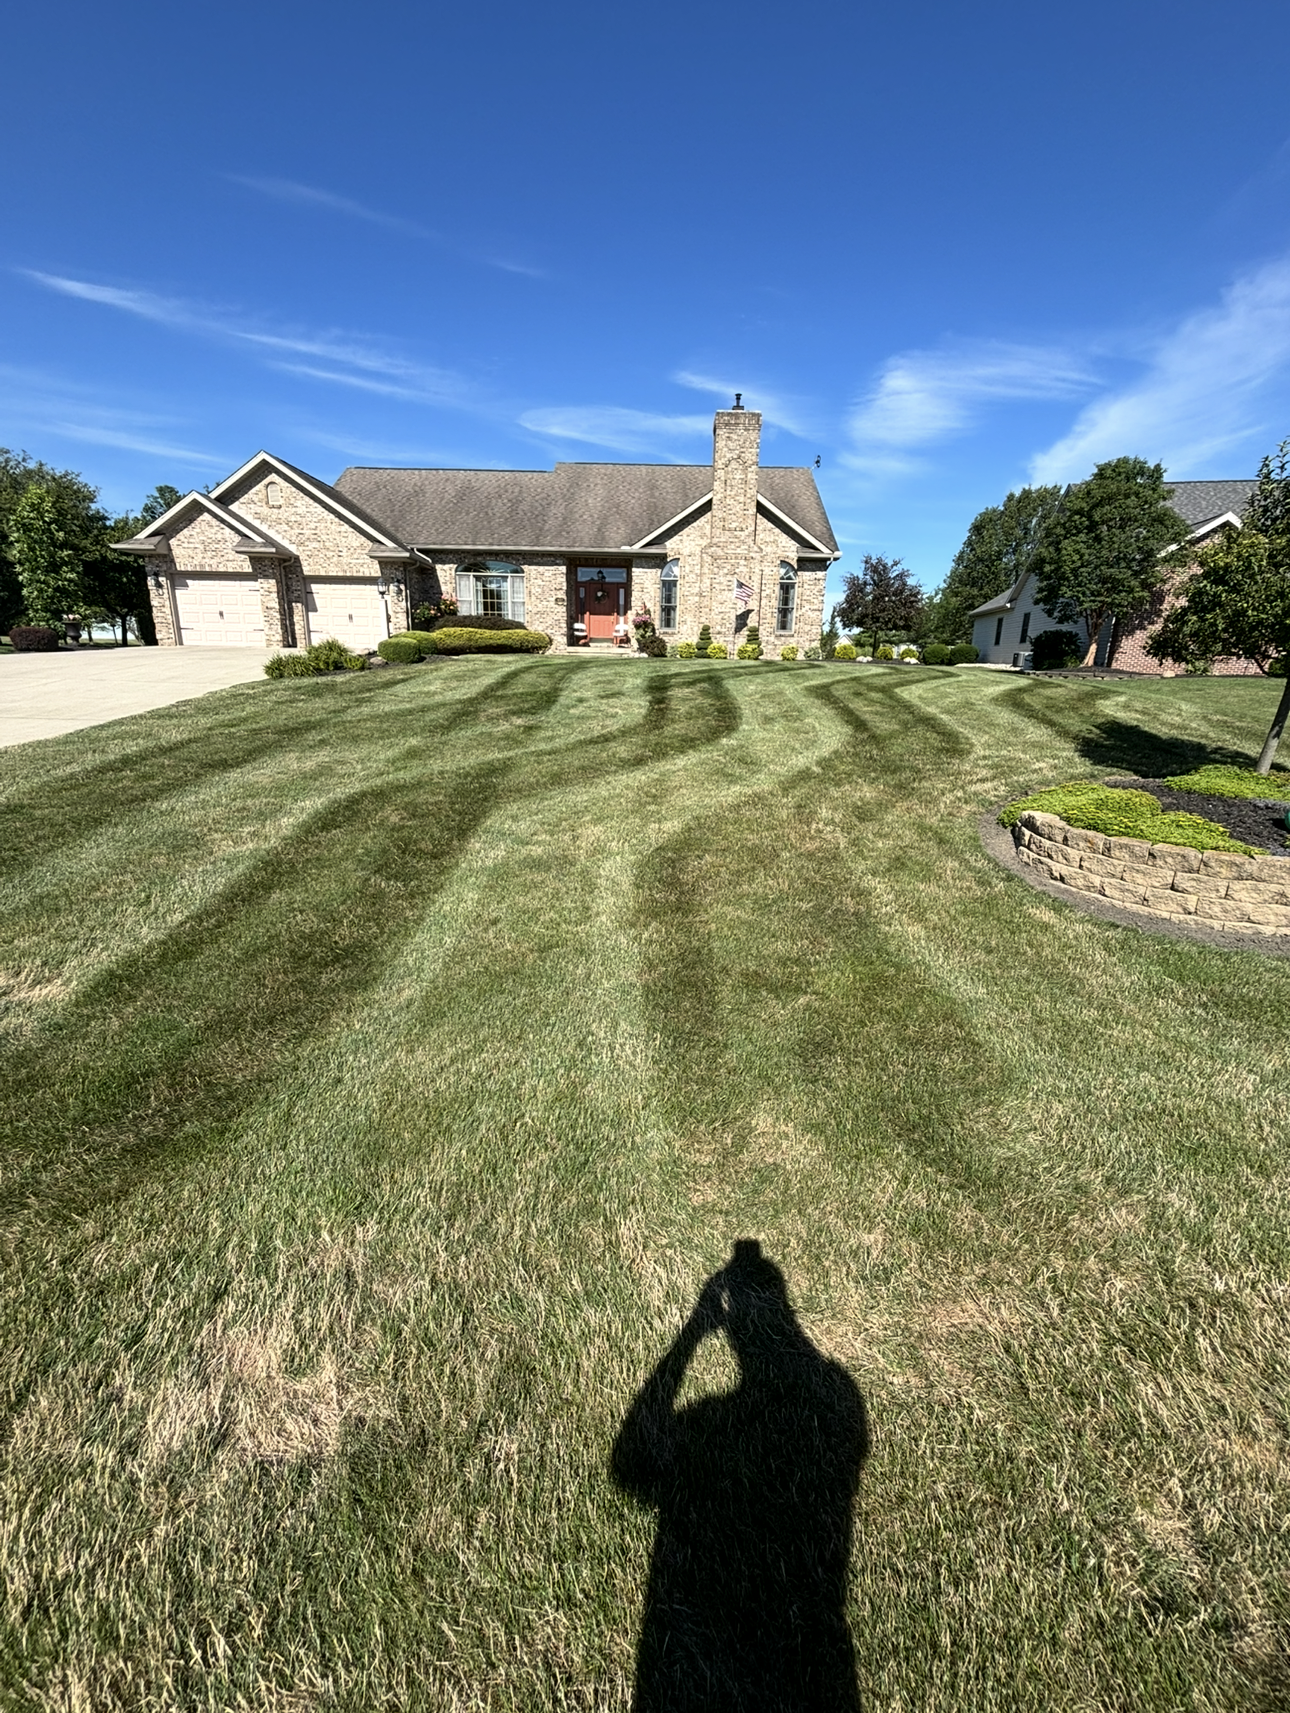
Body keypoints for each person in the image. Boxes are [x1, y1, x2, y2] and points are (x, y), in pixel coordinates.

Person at [612, 1240, 869, 1711]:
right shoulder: (839, 1393)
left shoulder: (705, 1419)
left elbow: (630, 1468)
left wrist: (691, 1333)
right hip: (815, 1659)